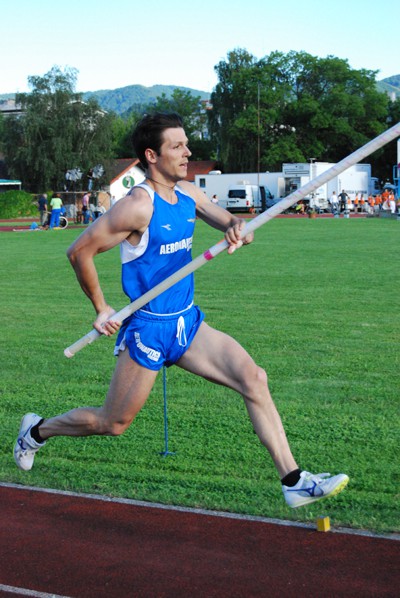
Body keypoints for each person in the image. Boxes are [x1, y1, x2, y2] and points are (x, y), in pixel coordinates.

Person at [14, 112, 349, 509]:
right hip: (148, 328)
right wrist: (102, 307)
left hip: (186, 322)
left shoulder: (188, 193)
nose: (188, 152)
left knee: (253, 378)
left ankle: (293, 480)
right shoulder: (139, 206)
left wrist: (238, 229)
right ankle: (37, 431)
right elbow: (79, 251)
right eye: (177, 146)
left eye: (186, 143)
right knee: (114, 422)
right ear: (152, 155)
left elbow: (231, 222)